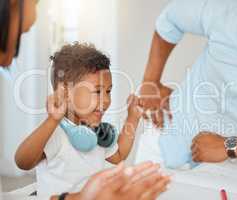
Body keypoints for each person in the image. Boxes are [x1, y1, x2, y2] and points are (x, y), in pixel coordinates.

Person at [0, 0, 170, 200]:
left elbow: (119, 155)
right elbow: (23, 161)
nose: (106, 100)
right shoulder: (57, 133)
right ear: (66, 94)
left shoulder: (100, 133)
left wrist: (132, 118)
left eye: (108, 91)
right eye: (97, 91)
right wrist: (52, 121)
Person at [140, 0, 237, 169]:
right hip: (161, 140)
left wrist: (230, 145)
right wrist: (150, 82)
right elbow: (172, 17)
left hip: (227, 168)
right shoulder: (230, 15)